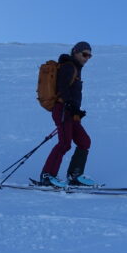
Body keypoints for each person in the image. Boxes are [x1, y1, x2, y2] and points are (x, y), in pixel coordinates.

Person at [39, 41, 97, 187]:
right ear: (75, 52)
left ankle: (75, 176)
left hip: (71, 113)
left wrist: (76, 110)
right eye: (84, 54)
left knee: (84, 141)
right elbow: (62, 87)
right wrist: (69, 104)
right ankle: (47, 176)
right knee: (64, 143)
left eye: (89, 56)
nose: (87, 58)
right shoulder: (69, 66)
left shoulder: (76, 68)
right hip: (63, 110)